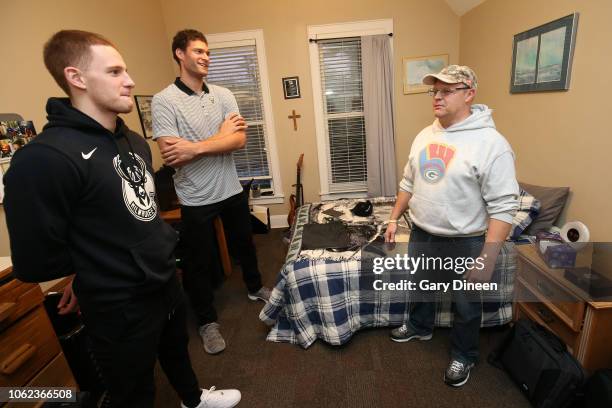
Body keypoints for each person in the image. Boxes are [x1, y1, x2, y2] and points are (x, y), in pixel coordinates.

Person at [3, 30, 241, 408]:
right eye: (114, 72)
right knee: (133, 388)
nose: (129, 80)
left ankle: (193, 400)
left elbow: (134, 215)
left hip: (163, 281)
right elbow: (36, 259)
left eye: (125, 70)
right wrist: (89, 273)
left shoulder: (133, 141)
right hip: (118, 304)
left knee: (177, 351)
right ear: (76, 78)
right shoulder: (43, 159)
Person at [384, 65, 518, 387]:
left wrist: (486, 257)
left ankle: (464, 355)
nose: (437, 97)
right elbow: (408, 182)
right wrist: (392, 217)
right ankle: (419, 326)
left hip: (465, 240)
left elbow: (504, 206)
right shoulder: (425, 134)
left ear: (469, 94)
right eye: (435, 91)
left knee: (466, 304)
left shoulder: (491, 144)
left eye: (447, 90)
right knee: (421, 286)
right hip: (422, 231)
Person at [152, 29, 271, 355]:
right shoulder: (164, 101)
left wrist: (195, 148)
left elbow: (239, 141)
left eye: (208, 52)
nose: (206, 57)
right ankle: (207, 321)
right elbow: (171, 151)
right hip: (195, 196)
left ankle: (255, 286)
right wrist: (218, 138)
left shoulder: (223, 94)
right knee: (197, 263)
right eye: (198, 51)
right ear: (179, 54)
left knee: (245, 244)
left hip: (230, 188)